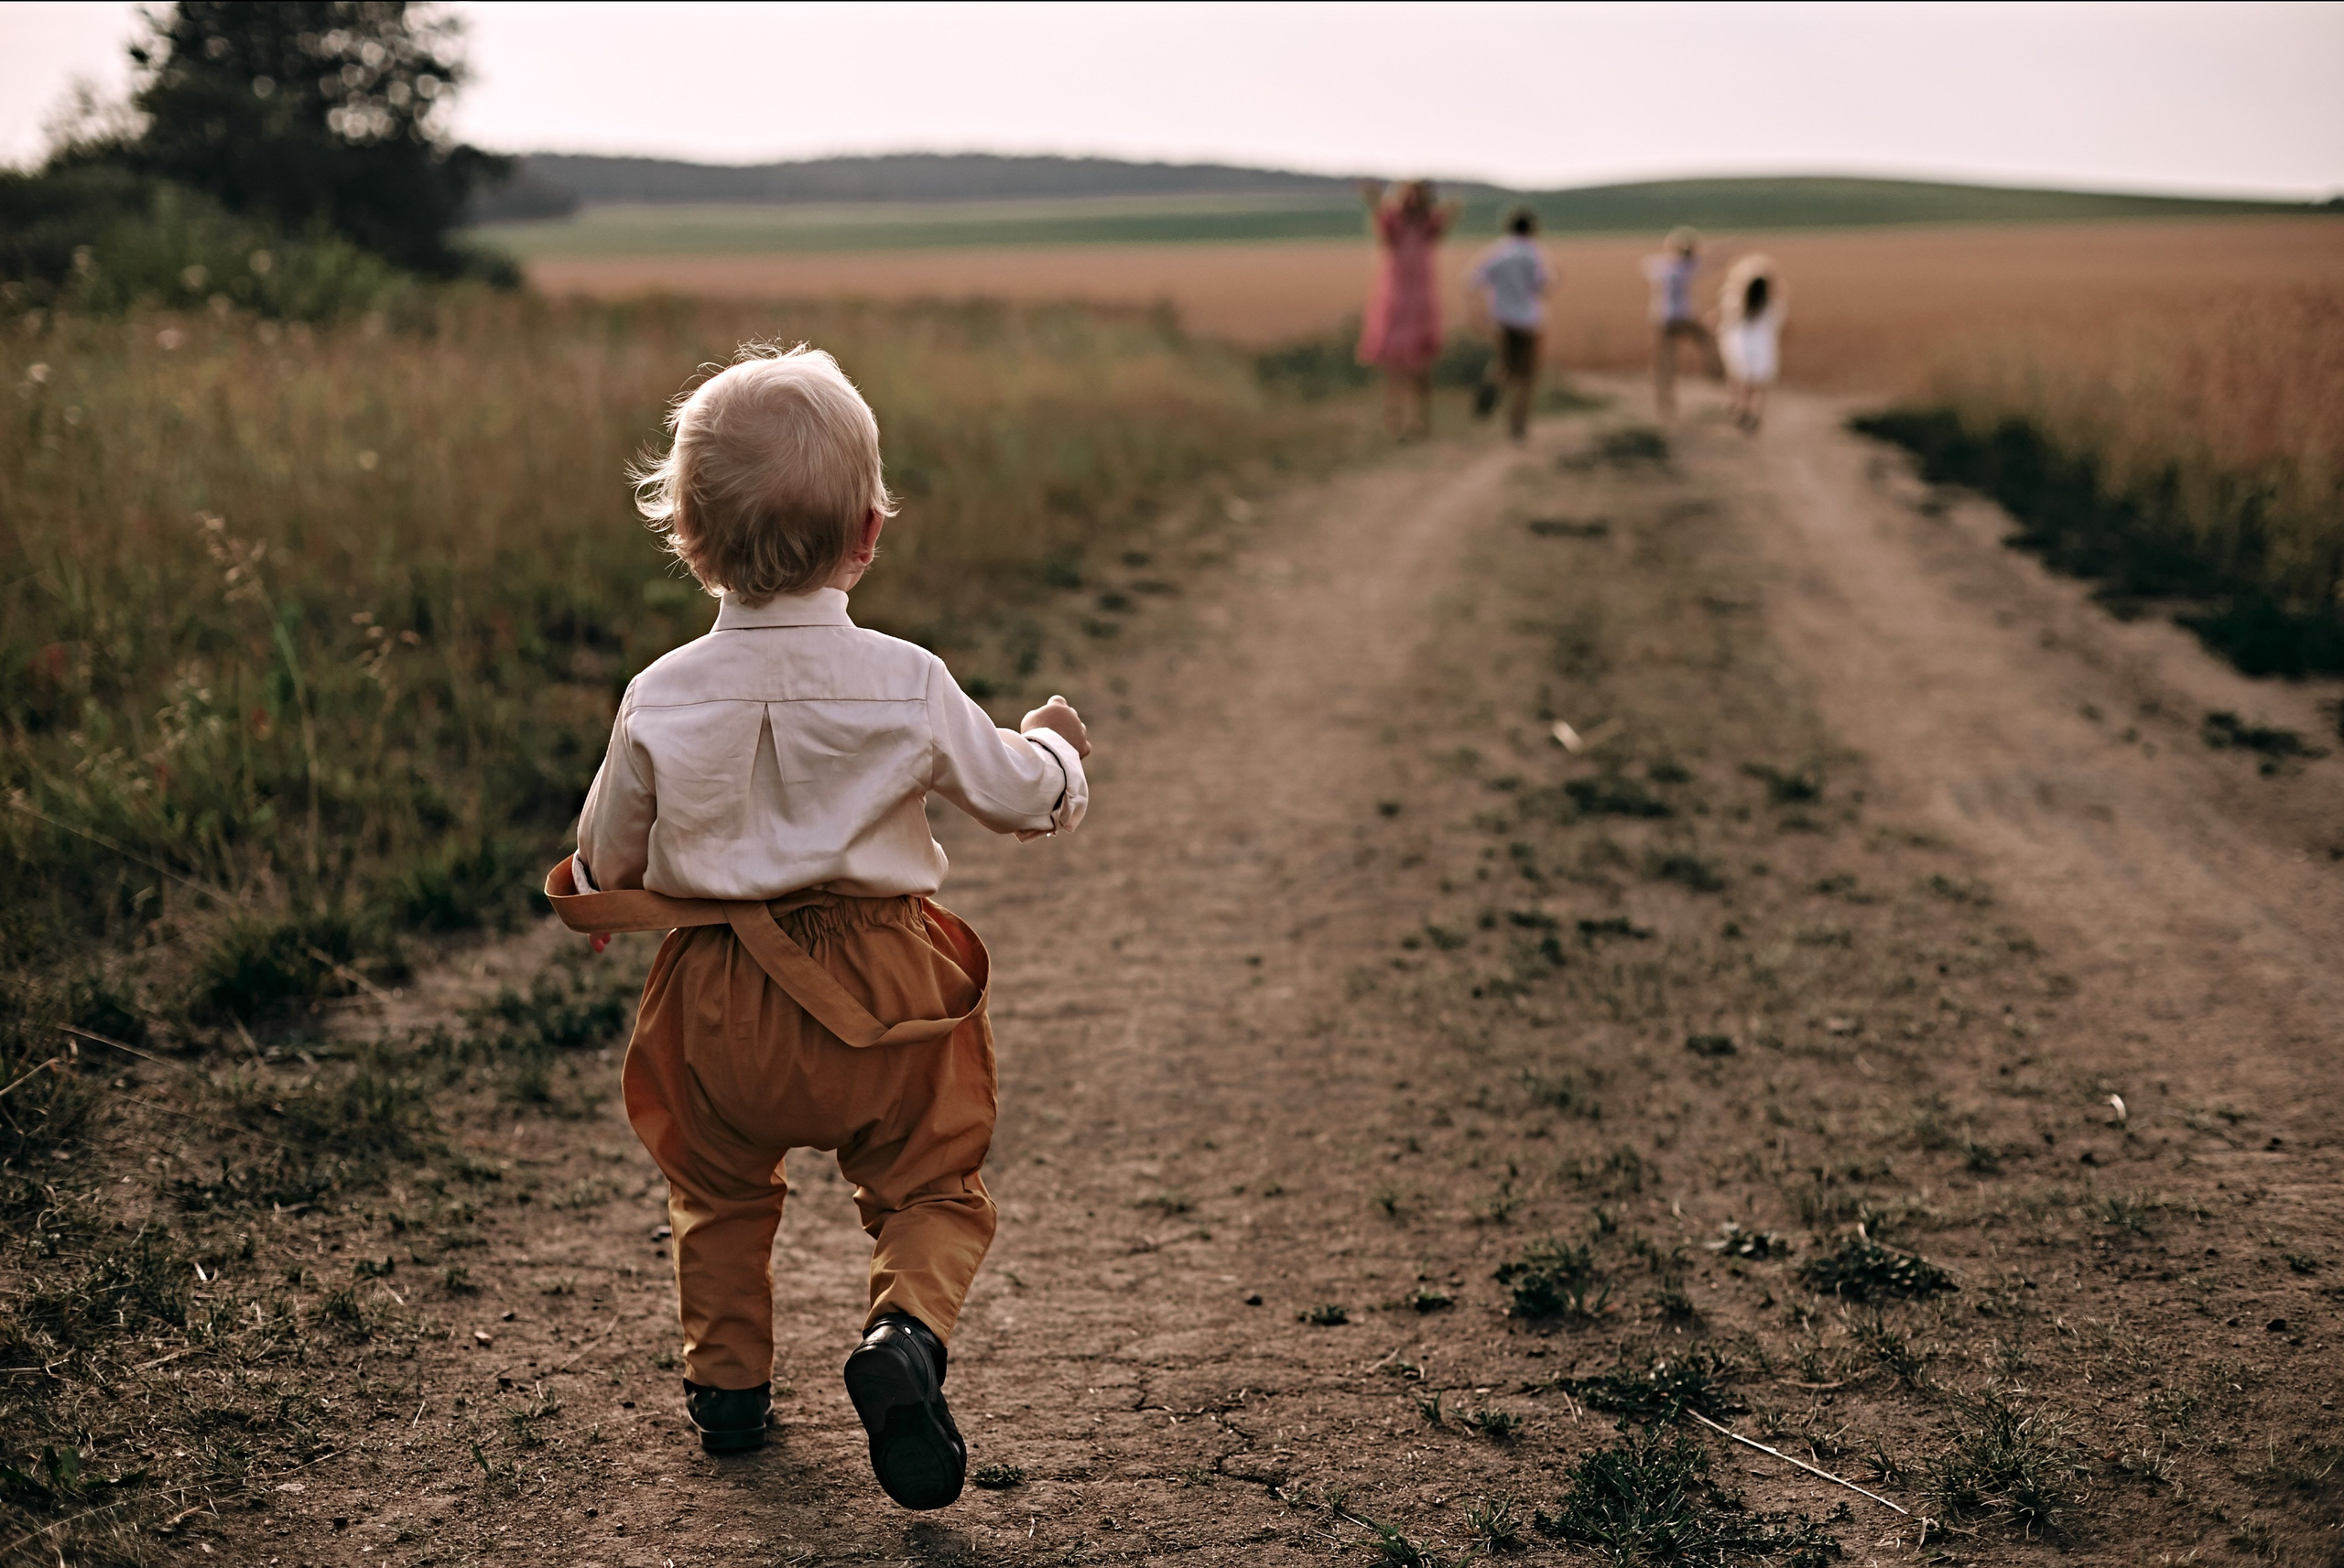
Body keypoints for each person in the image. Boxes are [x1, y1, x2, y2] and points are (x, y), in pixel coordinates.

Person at [545, 344, 1091, 1511]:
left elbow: (611, 850)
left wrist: (591, 890)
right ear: (868, 534)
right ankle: (903, 1338)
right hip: (888, 991)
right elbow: (1014, 796)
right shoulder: (906, 679)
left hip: (719, 993)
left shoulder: (659, 693)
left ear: (689, 540)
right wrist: (1056, 751)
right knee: (932, 1185)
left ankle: (730, 1392)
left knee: (720, 1188)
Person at [1357, 178, 1460, 439]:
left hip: (1421, 301)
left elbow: (1443, 229)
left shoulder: (1429, 224)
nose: (1414, 199)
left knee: (1422, 368)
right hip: (1397, 301)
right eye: (1410, 194)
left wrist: (1451, 212)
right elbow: (1383, 237)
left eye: (1419, 194)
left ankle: (1422, 422)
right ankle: (1395, 420)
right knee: (1395, 367)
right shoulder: (1393, 221)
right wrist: (1373, 206)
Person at [1469, 205, 1551, 441]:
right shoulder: (1533, 253)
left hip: (1502, 320)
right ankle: (1518, 424)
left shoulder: (1497, 253)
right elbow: (1542, 285)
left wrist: (1477, 311)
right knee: (1526, 375)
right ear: (1532, 228)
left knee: (1504, 364)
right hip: (1528, 321)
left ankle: (1489, 390)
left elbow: (1472, 281)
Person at [1640, 226, 1720, 417]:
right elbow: (1707, 262)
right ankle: (1717, 373)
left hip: (1662, 318)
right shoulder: (1688, 266)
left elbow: (1646, 267)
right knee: (1708, 340)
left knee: (1664, 360)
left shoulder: (1659, 265)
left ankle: (1664, 400)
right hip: (1684, 316)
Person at [1715, 253, 1786, 433]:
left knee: (1742, 380)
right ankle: (1756, 414)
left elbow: (1726, 319)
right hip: (1763, 346)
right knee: (1760, 385)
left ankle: (1741, 407)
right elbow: (1778, 320)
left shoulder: (1735, 302)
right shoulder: (1771, 306)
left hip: (1742, 345)